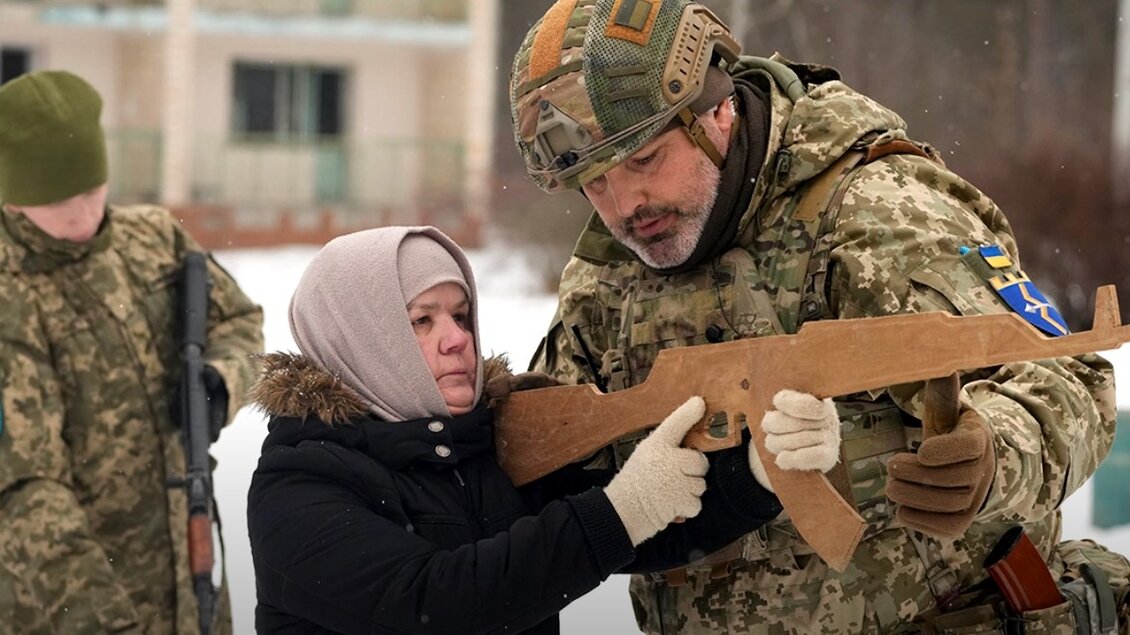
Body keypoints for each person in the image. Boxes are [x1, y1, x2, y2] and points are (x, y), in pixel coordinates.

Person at [508, 1, 1130, 633]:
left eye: (644, 160)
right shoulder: (606, 280)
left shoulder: (873, 210)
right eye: (594, 184)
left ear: (714, 115)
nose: (626, 205)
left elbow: (1065, 375)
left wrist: (994, 454)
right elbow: (536, 455)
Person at [245, 225, 784, 634]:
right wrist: (623, 510)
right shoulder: (298, 484)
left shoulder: (487, 445)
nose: (456, 339)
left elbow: (648, 529)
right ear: (358, 339)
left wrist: (759, 474)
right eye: (421, 320)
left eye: (461, 316)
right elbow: (439, 604)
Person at [0, 70, 264, 633]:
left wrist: (220, 383)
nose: (84, 216)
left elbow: (240, 321)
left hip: (192, 585)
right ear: (14, 196)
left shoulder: (151, 240)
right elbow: (26, 493)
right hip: (69, 609)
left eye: (92, 192)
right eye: (60, 202)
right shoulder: (9, 294)